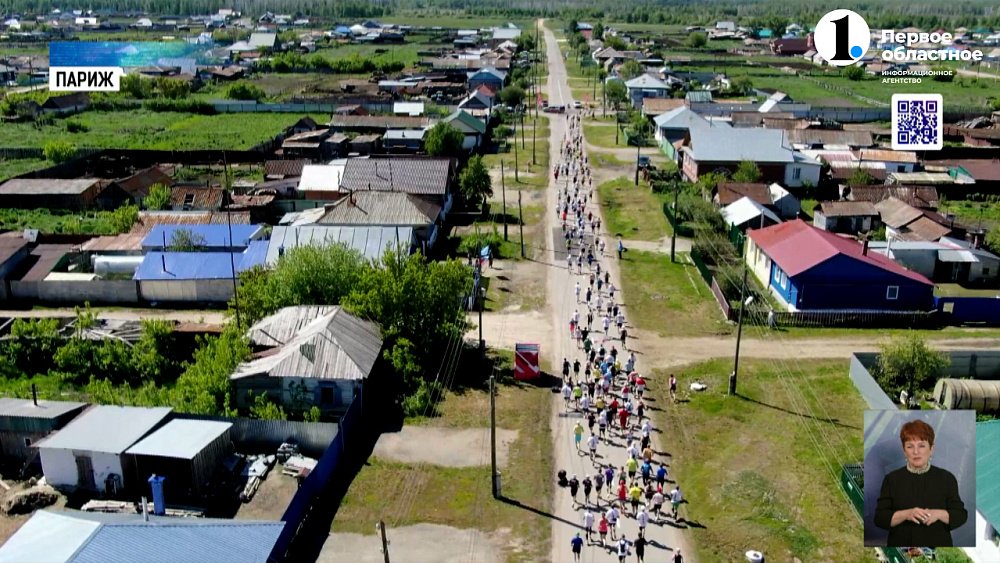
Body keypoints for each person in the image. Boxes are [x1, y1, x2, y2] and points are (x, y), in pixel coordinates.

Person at [874, 419, 968, 547]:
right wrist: (907, 514)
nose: (916, 452)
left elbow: (961, 515)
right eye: (910, 446)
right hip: (901, 547)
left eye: (922, 445)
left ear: (931, 449)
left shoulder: (947, 478)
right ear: (904, 451)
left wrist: (939, 514)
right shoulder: (892, 479)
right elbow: (879, 518)